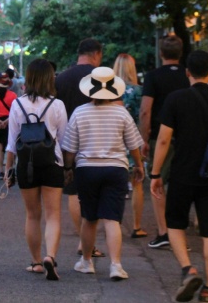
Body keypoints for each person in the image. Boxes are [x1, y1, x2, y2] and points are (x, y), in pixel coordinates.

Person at [149, 50, 208, 303]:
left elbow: (164, 139)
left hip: (182, 172)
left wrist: (155, 173)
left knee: (175, 223)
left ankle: (188, 269)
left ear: (187, 72)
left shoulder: (175, 99)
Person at [61, 67, 144, 281]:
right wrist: (138, 165)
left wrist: (68, 168)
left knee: (89, 218)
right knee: (112, 219)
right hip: (116, 169)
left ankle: (87, 262)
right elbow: (134, 144)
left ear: (89, 91)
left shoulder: (79, 112)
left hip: (87, 170)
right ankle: (116, 265)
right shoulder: (121, 112)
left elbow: (70, 148)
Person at [4, 59, 68, 280]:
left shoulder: (17, 104)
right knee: (53, 215)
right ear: (50, 78)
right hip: (52, 163)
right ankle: (51, 256)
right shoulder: (57, 105)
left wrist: (7, 170)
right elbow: (62, 139)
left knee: (32, 215)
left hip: (26, 164)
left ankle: (37, 262)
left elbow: (12, 142)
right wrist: (68, 166)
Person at [54, 38, 105, 257]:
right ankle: (88, 242)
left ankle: (82, 240)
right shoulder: (102, 77)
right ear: (97, 54)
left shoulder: (62, 78)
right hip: (99, 140)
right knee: (96, 192)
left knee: (74, 191)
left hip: (68, 141)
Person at [139, 35, 190, 249]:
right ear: (181, 53)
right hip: (188, 136)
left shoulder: (153, 76)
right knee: (181, 184)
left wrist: (144, 138)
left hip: (161, 136)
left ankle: (164, 232)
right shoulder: (189, 75)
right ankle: (179, 230)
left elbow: (145, 110)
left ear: (161, 53)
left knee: (157, 181)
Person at [113, 53, 146, 239]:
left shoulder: (109, 91)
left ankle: (114, 224)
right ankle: (136, 226)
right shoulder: (139, 91)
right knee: (138, 184)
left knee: (116, 186)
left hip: (114, 141)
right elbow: (143, 117)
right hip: (133, 141)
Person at [0, 73, 17, 177]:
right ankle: (11, 169)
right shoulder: (13, 95)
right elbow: (15, 111)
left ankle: (1, 170)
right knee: (11, 146)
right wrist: (6, 121)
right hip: (9, 121)